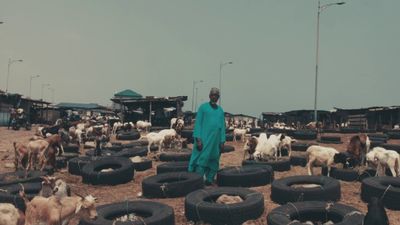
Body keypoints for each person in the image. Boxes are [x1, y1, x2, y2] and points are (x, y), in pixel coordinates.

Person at [188, 87, 226, 185]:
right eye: (213, 95)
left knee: (214, 160)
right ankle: (197, 180)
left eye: (217, 96)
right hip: (204, 139)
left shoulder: (220, 110)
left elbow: (222, 126)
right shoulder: (203, 108)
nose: (215, 97)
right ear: (209, 96)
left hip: (215, 141)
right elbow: (198, 124)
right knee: (202, 159)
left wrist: (222, 140)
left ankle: (209, 180)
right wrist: (198, 139)